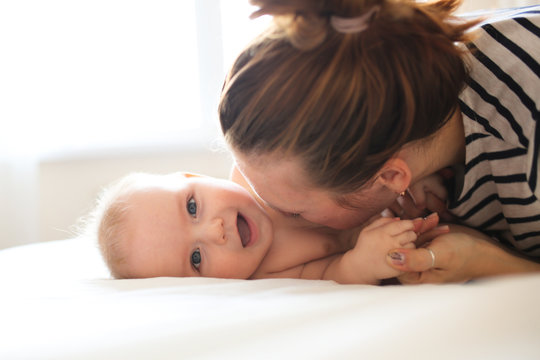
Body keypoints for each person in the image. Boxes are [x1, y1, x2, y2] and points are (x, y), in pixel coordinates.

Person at [218, 0, 540, 283]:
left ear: (389, 176)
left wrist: (488, 262)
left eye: (296, 213)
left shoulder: (525, 143)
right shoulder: (403, 68)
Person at [86, 171, 447, 284]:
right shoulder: (268, 274)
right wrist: (364, 261)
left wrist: (392, 185)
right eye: (196, 258)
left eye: (192, 207)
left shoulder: (262, 169)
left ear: (196, 177)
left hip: (392, 180)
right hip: (403, 227)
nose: (215, 231)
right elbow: (332, 272)